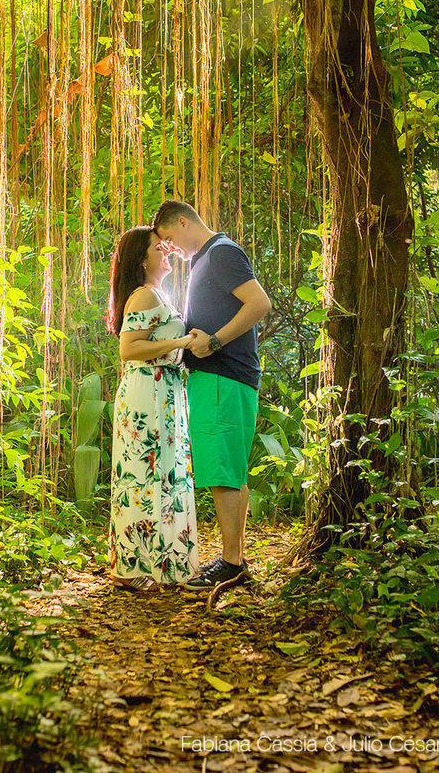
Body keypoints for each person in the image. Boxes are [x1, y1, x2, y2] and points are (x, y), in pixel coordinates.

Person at [151, 201, 270, 591]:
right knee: (229, 469)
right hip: (217, 379)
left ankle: (232, 563)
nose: (170, 248)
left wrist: (215, 341)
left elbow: (259, 304)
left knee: (222, 472)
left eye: (169, 238)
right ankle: (235, 559)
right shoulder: (205, 259)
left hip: (224, 376)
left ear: (183, 222)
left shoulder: (220, 253)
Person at [105, 225, 199, 591]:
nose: (167, 252)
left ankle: (160, 561)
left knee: (164, 475)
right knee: (142, 476)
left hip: (166, 389)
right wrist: (180, 343)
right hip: (147, 390)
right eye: (159, 248)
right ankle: (130, 568)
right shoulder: (143, 295)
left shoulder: (158, 294)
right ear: (142, 260)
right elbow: (128, 349)